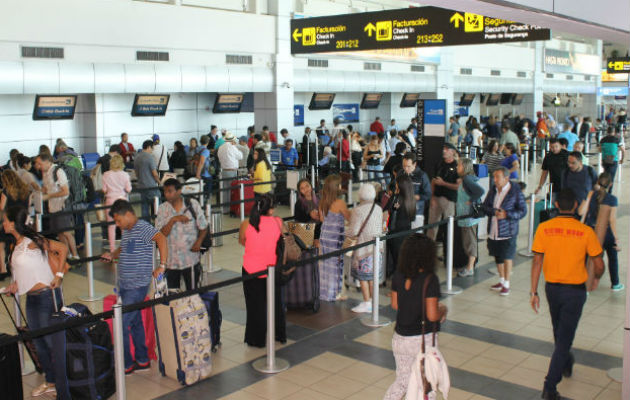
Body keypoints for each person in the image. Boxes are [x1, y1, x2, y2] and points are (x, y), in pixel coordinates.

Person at [530, 189, 604, 400]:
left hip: (552, 289)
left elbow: (537, 261)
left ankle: (566, 361)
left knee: (559, 332)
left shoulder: (544, 228)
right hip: (575, 292)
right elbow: (598, 264)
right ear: (575, 206)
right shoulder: (585, 231)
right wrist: (597, 277)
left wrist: (533, 291)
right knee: (563, 338)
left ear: (556, 204)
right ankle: (549, 388)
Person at [2, 205, 69, 398]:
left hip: (46, 297)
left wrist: (58, 275)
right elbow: (24, 272)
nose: (3, 223)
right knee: (39, 343)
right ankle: (51, 381)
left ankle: (62, 382)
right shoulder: (17, 244)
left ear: (13, 223)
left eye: (6, 220)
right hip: (31, 299)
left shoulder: (32, 241)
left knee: (50, 342)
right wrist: (15, 285)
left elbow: (62, 248)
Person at [101, 199, 167, 374]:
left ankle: (126, 364)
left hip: (137, 286)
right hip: (125, 284)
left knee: (121, 324)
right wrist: (112, 254)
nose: (117, 224)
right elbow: (124, 248)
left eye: (118, 220)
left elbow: (161, 238)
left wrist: (162, 265)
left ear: (128, 214)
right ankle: (142, 359)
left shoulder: (143, 227)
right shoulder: (127, 230)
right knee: (136, 322)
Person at [384, 234, 447, 400]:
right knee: (427, 382)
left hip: (400, 338)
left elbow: (396, 305)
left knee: (403, 381)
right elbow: (433, 314)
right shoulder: (430, 279)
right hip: (422, 340)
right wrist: (443, 311)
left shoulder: (398, 275)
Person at [238, 193, 285, 347]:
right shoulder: (278, 222)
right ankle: (279, 333)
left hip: (250, 269)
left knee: (254, 305)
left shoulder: (246, 223)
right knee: (276, 302)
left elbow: (242, 241)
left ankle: (256, 338)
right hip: (272, 269)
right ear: (271, 210)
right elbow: (279, 241)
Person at [482, 167, 527, 296]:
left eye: (497, 177)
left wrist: (507, 214)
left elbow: (523, 211)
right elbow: (485, 206)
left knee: (507, 256)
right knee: (497, 255)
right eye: (494, 177)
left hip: (508, 230)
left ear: (506, 178)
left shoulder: (515, 192)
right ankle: (501, 280)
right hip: (494, 229)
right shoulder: (493, 190)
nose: (494, 180)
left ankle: (507, 283)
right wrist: (494, 212)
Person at [156, 179, 208, 291]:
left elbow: (203, 227)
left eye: (170, 191)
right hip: (171, 262)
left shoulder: (192, 205)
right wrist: (173, 220)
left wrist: (199, 242)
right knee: (172, 298)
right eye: (165, 191)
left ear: (179, 191)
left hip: (191, 260)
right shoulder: (162, 209)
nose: (167, 194)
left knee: (193, 295)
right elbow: (161, 235)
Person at [579, 173, 623, 291]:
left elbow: (581, 212)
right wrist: (616, 238)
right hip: (606, 233)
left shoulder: (591, 195)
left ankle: (585, 284)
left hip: (592, 231)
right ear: (611, 184)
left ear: (598, 182)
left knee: (589, 258)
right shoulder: (612, 199)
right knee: (612, 258)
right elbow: (611, 220)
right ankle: (615, 283)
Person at [35, 153, 79, 260]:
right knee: (59, 233)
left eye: (40, 163)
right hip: (53, 207)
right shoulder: (45, 173)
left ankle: (75, 255)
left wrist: (49, 195)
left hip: (62, 206)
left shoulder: (58, 171)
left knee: (66, 232)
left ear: (47, 162)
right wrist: (39, 192)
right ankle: (67, 254)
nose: (38, 166)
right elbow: (47, 188)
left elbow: (65, 191)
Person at [348, 184, 383, 313]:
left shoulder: (358, 210)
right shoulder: (378, 208)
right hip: (376, 247)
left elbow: (353, 231)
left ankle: (367, 302)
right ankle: (374, 302)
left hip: (364, 248)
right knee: (373, 277)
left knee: (363, 277)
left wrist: (345, 232)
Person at [318, 175, 350, 302]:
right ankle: (334, 293)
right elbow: (348, 218)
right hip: (335, 238)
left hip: (324, 236)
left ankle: (324, 292)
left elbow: (321, 219)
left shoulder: (322, 202)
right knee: (335, 265)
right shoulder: (340, 203)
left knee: (325, 265)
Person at [455, 158, 485, 277]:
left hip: (468, 217)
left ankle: (470, 267)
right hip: (466, 216)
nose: (457, 167)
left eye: (459, 166)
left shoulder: (467, 179)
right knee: (468, 241)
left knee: (470, 242)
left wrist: (470, 201)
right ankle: (470, 265)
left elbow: (480, 191)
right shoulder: (466, 179)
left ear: (464, 167)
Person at [0, 170, 31, 278]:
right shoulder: (25, 189)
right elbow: (28, 207)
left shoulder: (6, 190)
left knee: (1, 245)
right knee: (19, 243)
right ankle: (19, 268)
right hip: (21, 220)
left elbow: (1, 207)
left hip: (9, 221)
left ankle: (3, 270)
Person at [384, 175, 416, 278]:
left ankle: (397, 289)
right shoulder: (411, 199)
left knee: (397, 261)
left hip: (395, 234)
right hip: (406, 233)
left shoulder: (397, 198)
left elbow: (388, 210)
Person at [426, 143, 459, 241]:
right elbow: (433, 181)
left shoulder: (457, 166)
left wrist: (443, 183)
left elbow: (458, 187)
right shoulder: (439, 164)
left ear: (453, 152)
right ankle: (430, 252)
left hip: (449, 201)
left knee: (449, 228)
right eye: (443, 148)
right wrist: (432, 198)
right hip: (436, 199)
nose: (444, 151)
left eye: (447, 149)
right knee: (431, 227)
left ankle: (448, 252)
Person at [101, 155, 132, 251]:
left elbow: (104, 189)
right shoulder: (125, 175)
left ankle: (112, 249)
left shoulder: (106, 174)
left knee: (111, 226)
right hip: (122, 202)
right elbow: (128, 189)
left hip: (110, 202)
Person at [401, 153, 431, 227]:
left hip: (417, 211)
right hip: (402, 211)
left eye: (408, 166)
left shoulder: (422, 176)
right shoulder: (401, 173)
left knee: (416, 236)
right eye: (404, 166)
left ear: (414, 164)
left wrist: (415, 197)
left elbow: (428, 194)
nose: (406, 168)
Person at [217, 132, 243, 213]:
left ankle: (225, 209)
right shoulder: (232, 147)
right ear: (232, 140)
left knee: (225, 191)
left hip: (224, 171)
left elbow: (219, 157)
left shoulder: (220, 147)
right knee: (233, 191)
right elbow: (240, 156)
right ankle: (233, 208)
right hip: (232, 171)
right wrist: (235, 146)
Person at [134, 140, 161, 218]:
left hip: (141, 186)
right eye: (152, 148)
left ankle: (146, 226)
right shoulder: (150, 157)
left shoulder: (137, 157)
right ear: (149, 147)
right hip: (151, 186)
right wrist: (160, 182)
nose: (152, 151)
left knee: (144, 208)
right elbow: (155, 174)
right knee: (158, 204)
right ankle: (159, 223)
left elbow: (136, 174)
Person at [196, 135, 213, 200]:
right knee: (206, 194)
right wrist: (198, 174)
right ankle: (206, 208)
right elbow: (201, 162)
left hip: (200, 173)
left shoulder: (197, 149)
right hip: (205, 174)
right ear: (208, 142)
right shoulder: (206, 151)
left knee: (200, 193)